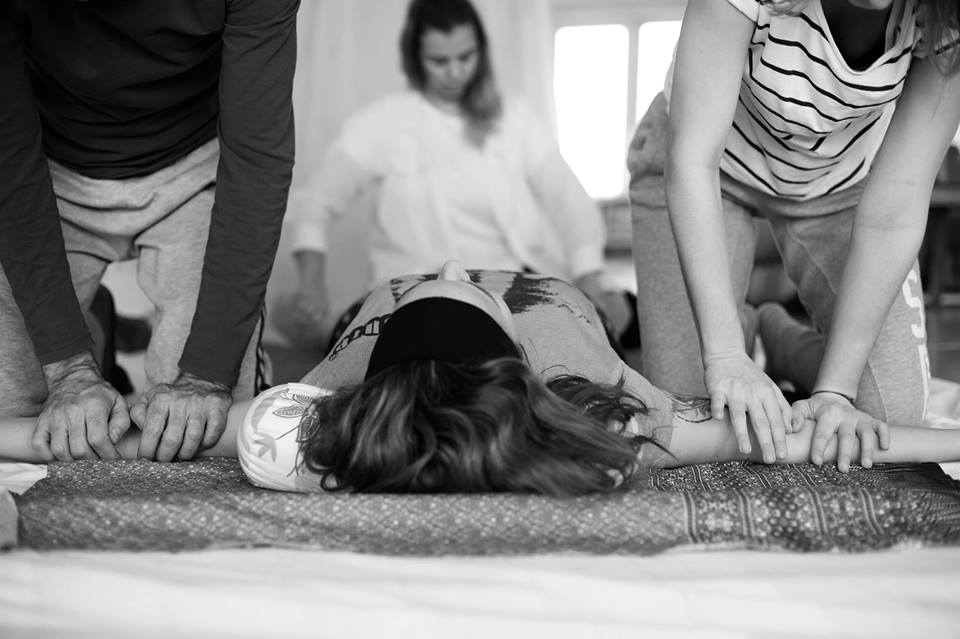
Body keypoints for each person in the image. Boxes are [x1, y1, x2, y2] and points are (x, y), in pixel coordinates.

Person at [5, 262, 960, 497]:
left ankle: (769, 327)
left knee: (651, 316)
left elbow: (118, 434)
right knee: (662, 340)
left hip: (544, 304)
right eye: (462, 285)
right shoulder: (587, 401)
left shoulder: (321, 411)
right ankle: (773, 329)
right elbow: (794, 438)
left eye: (448, 279)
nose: (456, 265)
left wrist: (52, 421)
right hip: (563, 305)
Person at [628, 0, 960, 466]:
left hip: (839, 183)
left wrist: (836, 391)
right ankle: (740, 331)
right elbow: (692, 160)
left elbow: (896, 208)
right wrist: (725, 354)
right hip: (706, 170)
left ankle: (777, 338)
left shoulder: (947, 20)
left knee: (885, 421)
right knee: (693, 415)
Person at [0, 1, 299, 463]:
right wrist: (67, 366)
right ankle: (92, 329)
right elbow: (9, 163)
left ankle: (98, 328)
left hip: (194, 162)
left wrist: (206, 375)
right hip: (47, 165)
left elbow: (257, 162)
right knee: (16, 411)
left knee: (206, 426)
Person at [277, 0, 634, 353]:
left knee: (618, 314)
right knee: (301, 317)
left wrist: (589, 275)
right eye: (440, 61)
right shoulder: (383, 123)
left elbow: (567, 197)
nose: (455, 72)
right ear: (415, 58)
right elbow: (315, 203)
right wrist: (311, 285)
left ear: (481, 51)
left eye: (466, 57)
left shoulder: (513, 118)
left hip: (503, 287)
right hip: (412, 292)